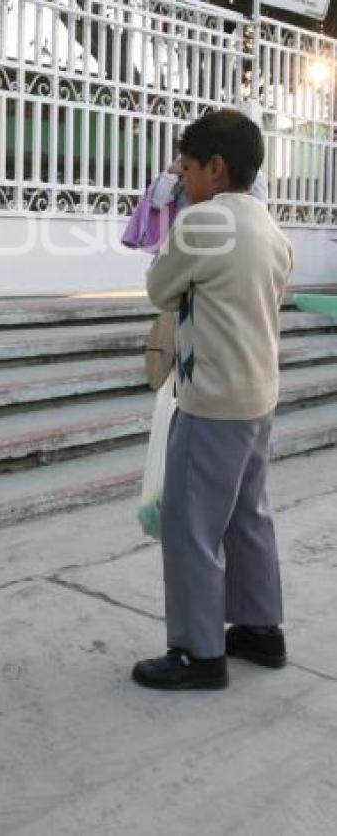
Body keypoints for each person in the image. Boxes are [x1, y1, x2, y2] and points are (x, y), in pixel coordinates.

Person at [132, 109, 293, 691]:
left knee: (191, 524)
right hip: (259, 395)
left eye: (190, 167)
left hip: (213, 401)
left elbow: (159, 287)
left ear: (216, 169)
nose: (183, 177)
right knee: (249, 514)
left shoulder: (204, 224)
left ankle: (198, 652)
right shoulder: (269, 227)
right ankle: (259, 627)